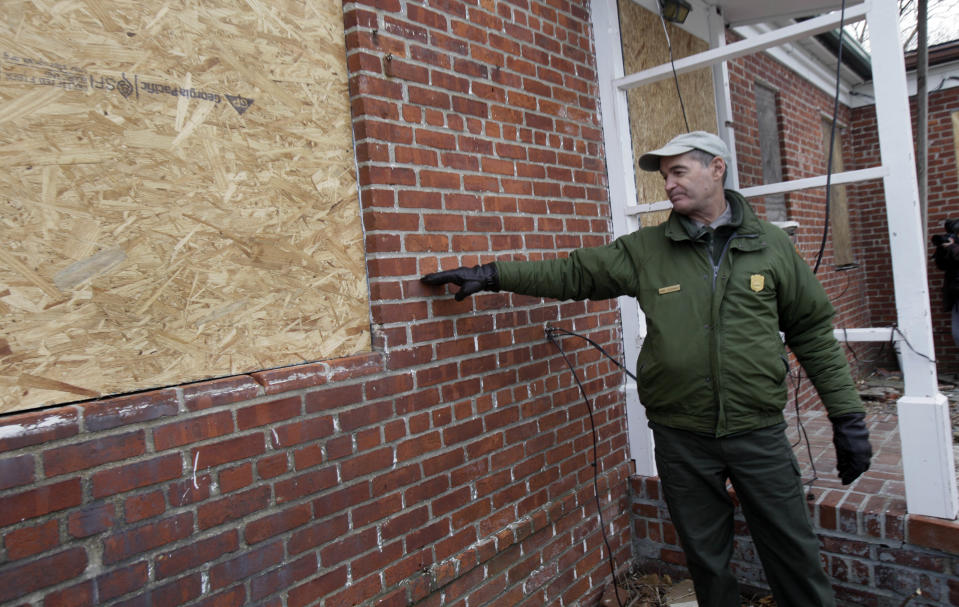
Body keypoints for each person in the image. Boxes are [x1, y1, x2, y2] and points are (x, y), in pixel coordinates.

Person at [421, 131, 872, 607]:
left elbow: (813, 333)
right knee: (705, 557)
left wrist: (847, 417)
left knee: (793, 553)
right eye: (664, 176)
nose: (669, 185)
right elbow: (573, 273)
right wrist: (492, 274)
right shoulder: (647, 250)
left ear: (716, 168)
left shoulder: (772, 247)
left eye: (679, 172)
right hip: (681, 435)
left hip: (756, 431)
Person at [933, 218, 959, 348]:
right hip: (956, 295)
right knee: (957, 334)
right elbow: (941, 265)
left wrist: (954, 247)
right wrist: (942, 251)